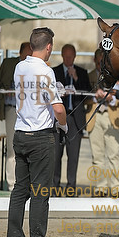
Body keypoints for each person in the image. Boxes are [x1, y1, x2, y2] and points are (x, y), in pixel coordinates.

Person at [5, 27, 68, 237]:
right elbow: (58, 108)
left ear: (32, 45)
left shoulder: (20, 66)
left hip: (20, 133)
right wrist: (63, 125)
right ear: (49, 47)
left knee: (20, 191)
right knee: (41, 192)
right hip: (41, 136)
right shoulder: (46, 71)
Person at [52, 44, 91, 195]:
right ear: (62, 56)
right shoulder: (54, 72)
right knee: (56, 154)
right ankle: (54, 187)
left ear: (75, 56)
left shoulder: (82, 72)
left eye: (71, 56)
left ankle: (71, 187)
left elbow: (88, 94)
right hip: (58, 117)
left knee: (73, 155)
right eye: (66, 56)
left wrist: (76, 78)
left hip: (75, 119)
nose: (68, 59)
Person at [0, 42, 32, 191]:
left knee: (29, 147)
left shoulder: (34, 66)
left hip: (29, 111)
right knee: (12, 148)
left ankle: (26, 182)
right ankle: (11, 184)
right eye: (28, 51)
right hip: (12, 109)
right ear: (21, 52)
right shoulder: (9, 64)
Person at [86, 49, 119, 197]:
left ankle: (117, 187)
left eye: (103, 62)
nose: (100, 65)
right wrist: (95, 97)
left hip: (111, 115)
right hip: (95, 116)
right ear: (95, 61)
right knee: (97, 155)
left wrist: (112, 98)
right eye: (98, 62)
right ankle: (100, 188)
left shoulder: (116, 77)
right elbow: (83, 96)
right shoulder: (89, 76)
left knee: (114, 154)